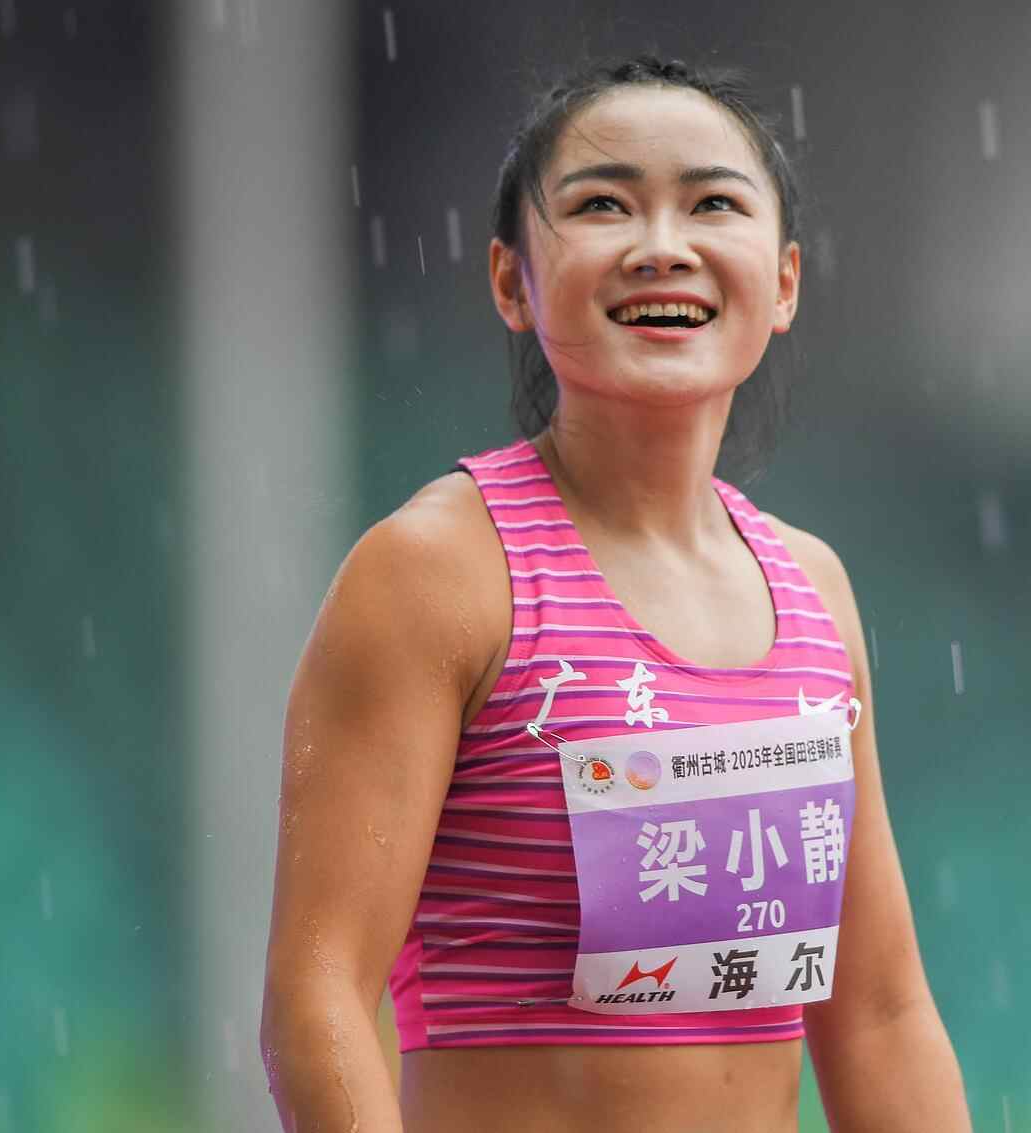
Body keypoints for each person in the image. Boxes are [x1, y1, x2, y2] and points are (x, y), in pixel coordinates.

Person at [261, 53, 971, 1132]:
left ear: (783, 282)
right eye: (603, 204)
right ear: (512, 281)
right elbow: (318, 993)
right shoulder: (435, 573)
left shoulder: (813, 590)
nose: (661, 246)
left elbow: (877, 1012)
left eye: (712, 204)